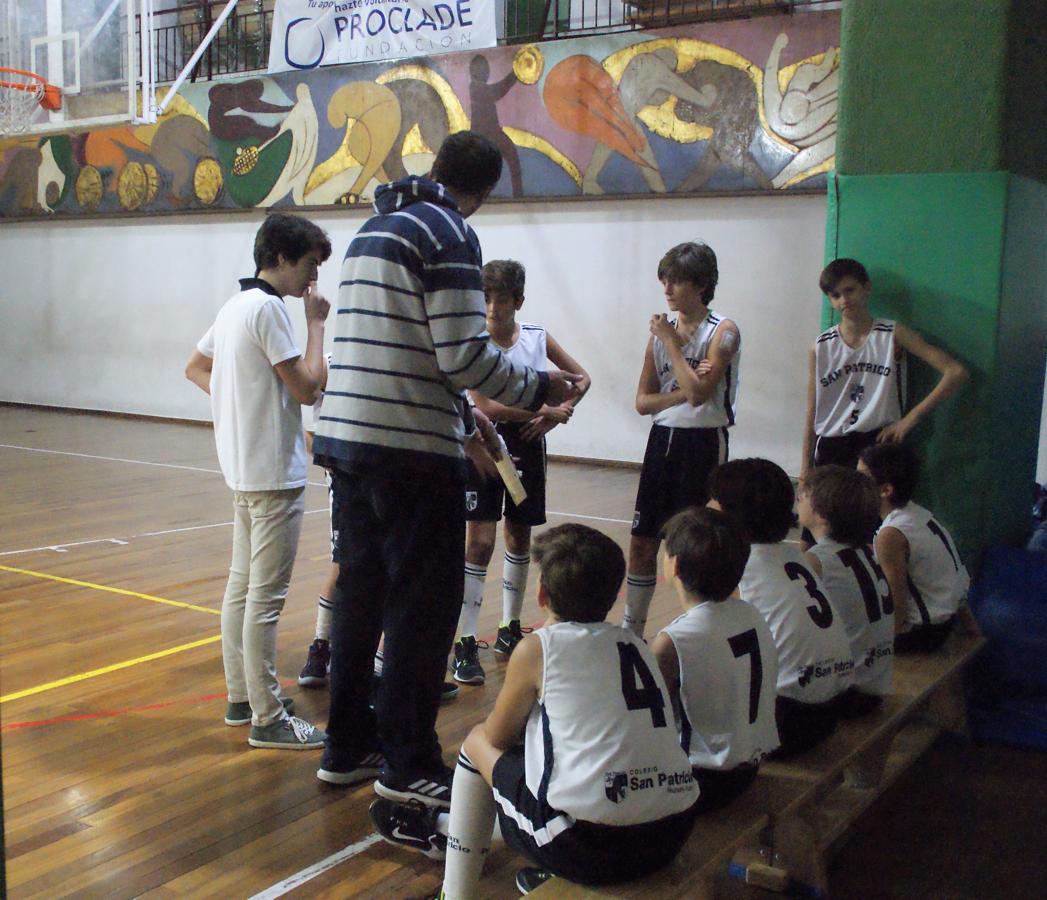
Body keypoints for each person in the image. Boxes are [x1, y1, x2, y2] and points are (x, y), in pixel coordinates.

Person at [311, 132, 579, 800]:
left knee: (361, 593)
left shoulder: (375, 228)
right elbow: (459, 356)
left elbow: (404, 352)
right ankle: (407, 764)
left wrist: (468, 417)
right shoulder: (451, 233)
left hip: (348, 442)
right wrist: (536, 388)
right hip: (408, 452)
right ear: (485, 189)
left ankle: (346, 747)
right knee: (422, 609)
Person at [368, 523, 700, 895]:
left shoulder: (539, 647)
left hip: (593, 849)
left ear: (541, 594)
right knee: (551, 756)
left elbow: (496, 736)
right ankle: (446, 829)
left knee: (476, 745)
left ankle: (454, 890)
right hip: (675, 831)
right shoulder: (636, 643)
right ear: (613, 596)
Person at [184, 212, 331, 749]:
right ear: (283, 258)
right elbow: (309, 389)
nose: (312, 280)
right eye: (310, 265)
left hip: (245, 470)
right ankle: (267, 717)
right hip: (273, 473)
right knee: (263, 599)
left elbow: (196, 367)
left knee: (241, 589)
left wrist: (238, 403)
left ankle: (242, 696)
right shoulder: (270, 309)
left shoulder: (234, 306)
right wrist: (316, 327)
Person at [452, 259, 591, 686]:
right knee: (479, 541)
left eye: (502, 299)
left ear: (519, 301)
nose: (493, 307)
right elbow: (486, 406)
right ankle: (465, 640)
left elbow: (582, 379)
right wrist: (543, 406)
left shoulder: (535, 336)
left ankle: (510, 628)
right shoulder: (473, 341)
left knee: (520, 534)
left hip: (527, 444)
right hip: (482, 442)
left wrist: (557, 413)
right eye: (487, 298)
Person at [624, 241, 741, 638]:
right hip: (663, 442)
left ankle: (703, 631)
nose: (667, 289)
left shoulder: (723, 331)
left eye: (677, 281)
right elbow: (643, 402)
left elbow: (700, 396)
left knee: (699, 546)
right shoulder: (660, 334)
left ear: (702, 283)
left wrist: (673, 345)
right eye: (665, 280)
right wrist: (683, 381)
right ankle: (632, 631)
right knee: (642, 541)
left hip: (705, 443)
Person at [708, 459, 853, 757]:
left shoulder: (740, 570)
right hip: (831, 705)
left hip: (785, 721)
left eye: (714, 500)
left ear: (727, 513)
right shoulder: (795, 557)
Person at [652, 507, 779, 810]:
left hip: (700, 780)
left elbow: (648, 724)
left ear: (675, 565)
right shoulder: (750, 612)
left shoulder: (674, 641)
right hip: (749, 765)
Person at [801, 257, 968, 479]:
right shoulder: (821, 346)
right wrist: (804, 469)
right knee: (832, 512)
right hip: (833, 445)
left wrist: (911, 418)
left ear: (866, 288)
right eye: (835, 295)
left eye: (850, 290)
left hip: (879, 443)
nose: (844, 299)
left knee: (876, 513)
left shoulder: (893, 334)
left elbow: (955, 372)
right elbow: (813, 410)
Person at [798, 466, 894, 717]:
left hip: (846, 693)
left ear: (823, 515)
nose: (798, 497)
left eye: (805, 494)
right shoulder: (864, 553)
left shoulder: (818, 560)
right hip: (875, 682)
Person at [859, 443, 971, 653]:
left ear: (886, 490)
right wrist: (973, 629)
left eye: (861, 479)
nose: (854, 485)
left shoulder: (890, 534)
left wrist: (879, 651)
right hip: (946, 622)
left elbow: (897, 607)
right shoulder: (918, 514)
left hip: (920, 634)